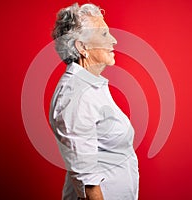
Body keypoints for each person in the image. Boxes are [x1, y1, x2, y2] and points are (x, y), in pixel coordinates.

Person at [49, 3, 139, 200]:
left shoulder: (90, 87)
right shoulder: (76, 94)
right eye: (104, 34)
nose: (114, 40)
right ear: (82, 46)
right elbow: (88, 183)